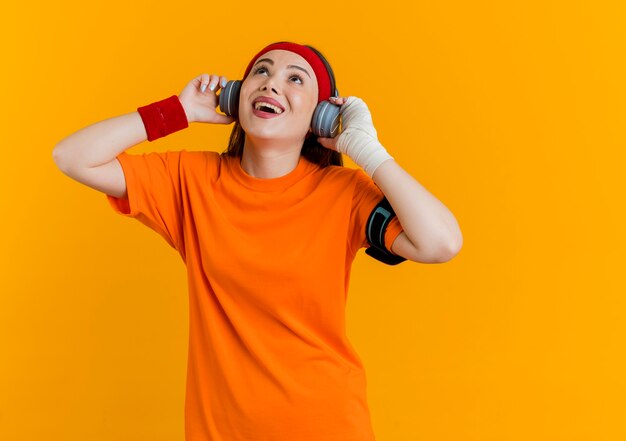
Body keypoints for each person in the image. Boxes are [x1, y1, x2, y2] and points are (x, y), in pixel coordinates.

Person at [53, 41, 462, 441]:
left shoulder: (344, 193)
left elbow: (440, 243)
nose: (270, 83)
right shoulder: (190, 182)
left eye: (295, 78)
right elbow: (72, 156)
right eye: (261, 72)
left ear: (320, 116)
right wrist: (177, 111)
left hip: (329, 426)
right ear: (235, 97)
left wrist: (367, 151)